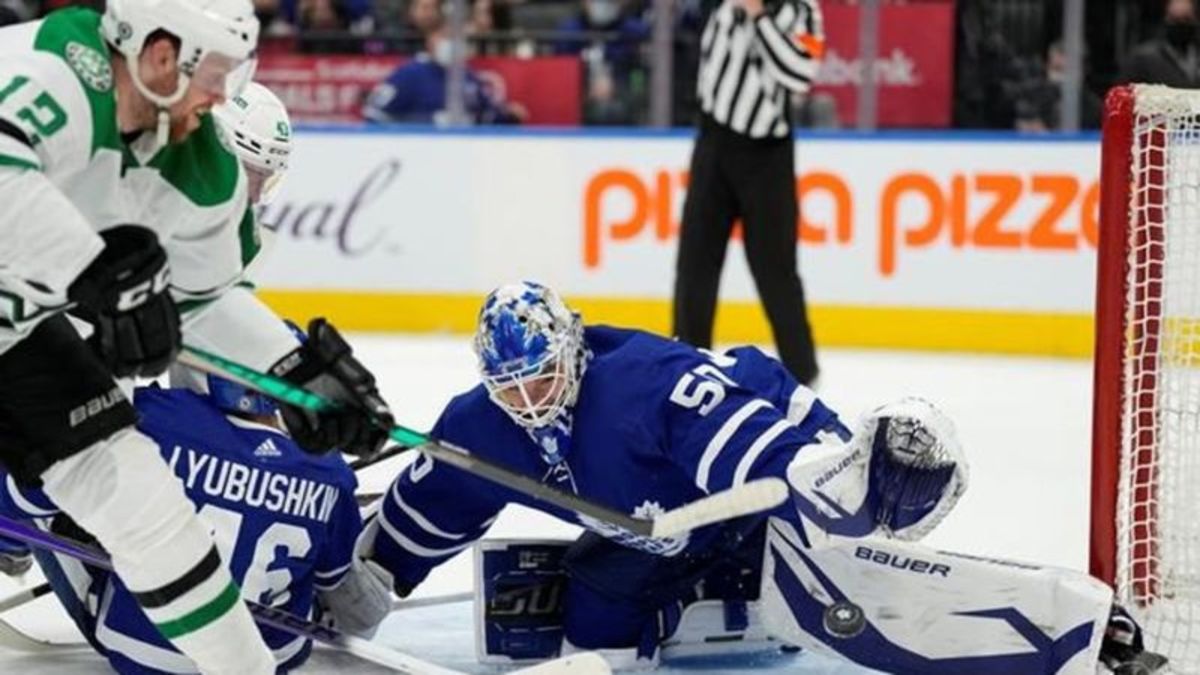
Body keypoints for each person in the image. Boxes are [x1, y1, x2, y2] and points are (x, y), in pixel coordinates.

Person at [356, 281, 1164, 673]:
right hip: (665, 532)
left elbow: (760, 455)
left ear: (570, 351)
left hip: (761, 496)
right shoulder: (481, 422)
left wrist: (826, 482)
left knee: (848, 608)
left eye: (541, 376)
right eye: (511, 386)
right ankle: (698, 591)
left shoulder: (644, 384)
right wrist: (361, 577)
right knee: (594, 615)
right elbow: (429, 506)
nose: (528, 401)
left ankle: (1081, 633)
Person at [0, 1, 394, 672]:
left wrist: (294, 369)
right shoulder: (57, 68)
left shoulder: (200, 168)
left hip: (20, 335)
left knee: (150, 513)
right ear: (158, 52)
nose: (221, 95)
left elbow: (205, 300)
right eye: (212, 70)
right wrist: (92, 268)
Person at [0, 364, 387, 673]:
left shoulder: (154, 416)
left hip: (144, 651)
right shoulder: (332, 469)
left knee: (54, 465)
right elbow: (351, 600)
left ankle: (9, 547)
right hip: (279, 653)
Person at [672, 0, 822, 387]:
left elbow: (800, 74)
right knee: (694, 265)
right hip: (713, 143)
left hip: (765, 155)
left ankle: (803, 374)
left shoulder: (804, 12)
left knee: (776, 271)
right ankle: (686, 367)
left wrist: (759, 17)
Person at [361, 9, 525, 125]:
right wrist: (419, 126)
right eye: (445, 37)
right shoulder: (409, 75)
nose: (452, 43)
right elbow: (375, 115)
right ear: (430, 40)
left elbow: (487, 116)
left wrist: (509, 116)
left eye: (457, 37)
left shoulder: (468, 77)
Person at [1121, 0, 1200, 88]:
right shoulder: (1142, 58)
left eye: (1187, 19)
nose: (1181, 24)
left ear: (1196, 20)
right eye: (1174, 20)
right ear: (1165, 19)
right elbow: (1123, 94)